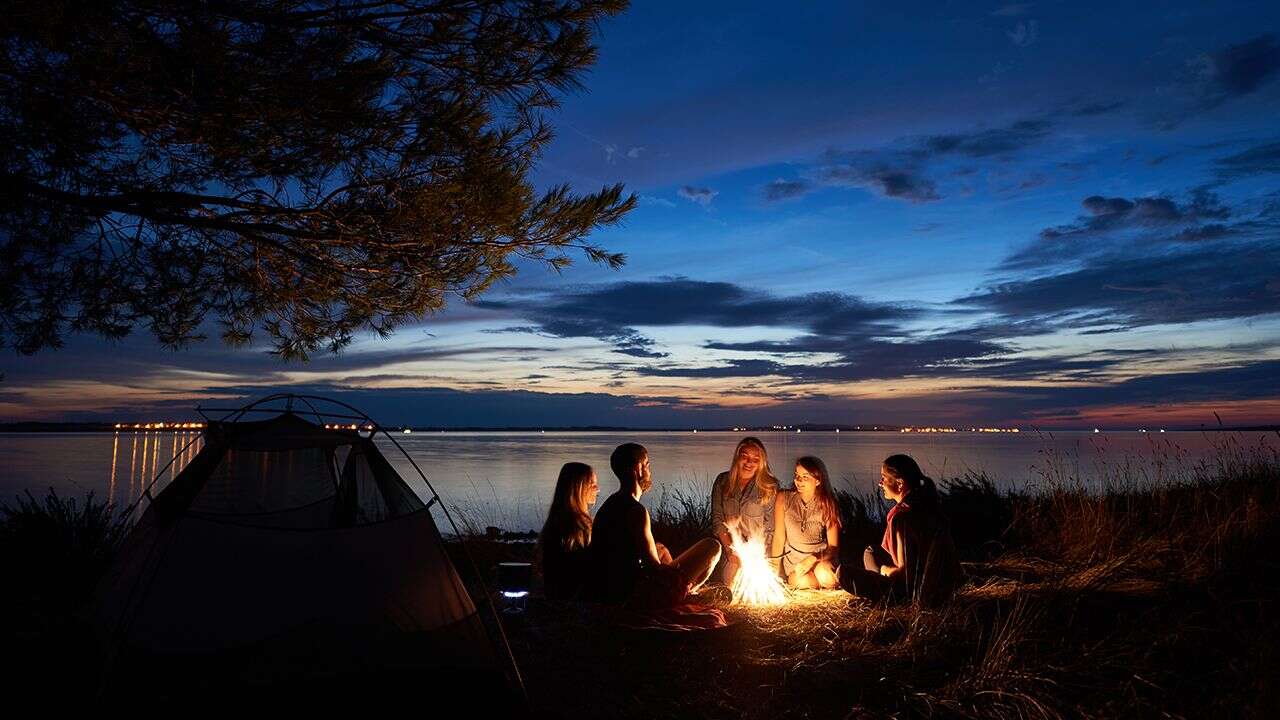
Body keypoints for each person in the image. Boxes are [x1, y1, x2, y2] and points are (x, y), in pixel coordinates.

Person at [586, 443, 722, 608]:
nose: (650, 472)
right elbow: (653, 569)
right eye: (648, 465)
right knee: (712, 546)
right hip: (631, 593)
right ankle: (685, 595)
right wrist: (674, 573)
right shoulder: (636, 511)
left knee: (661, 549)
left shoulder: (611, 503)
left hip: (610, 586)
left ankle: (686, 592)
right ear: (639, 468)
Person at [847, 454, 963, 606]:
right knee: (871, 552)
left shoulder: (903, 517)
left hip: (914, 589)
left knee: (844, 573)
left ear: (900, 484)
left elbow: (904, 572)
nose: (880, 483)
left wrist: (883, 569)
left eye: (884, 477)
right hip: (940, 583)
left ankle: (887, 598)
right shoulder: (927, 504)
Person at [711, 437, 780, 586]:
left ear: (761, 462)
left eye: (755, 459)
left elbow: (769, 527)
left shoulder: (769, 486)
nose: (749, 463)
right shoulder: (722, 482)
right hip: (731, 551)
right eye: (745, 457)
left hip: (757, 551)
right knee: (732, 584)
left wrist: (757, 554)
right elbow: (717, 521)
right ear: (737, 457)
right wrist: (730, 551)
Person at [771, 456, 841, 589]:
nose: (798, 481)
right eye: (797, 475)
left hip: (820, 558)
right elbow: (779, 537)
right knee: (807, 582)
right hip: (795, 563)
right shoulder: (783, 499)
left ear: (818, 480)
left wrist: (813, 558)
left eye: (805, 477)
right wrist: (774, 569)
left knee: (827, 576)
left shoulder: (827, 504)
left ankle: (825, 582)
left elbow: (833, 547)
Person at [538, 462, 600, 601]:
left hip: (557, 597)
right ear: (579, 488)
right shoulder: (577, 528)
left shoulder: (556, 523)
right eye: (593, 484)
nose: (598, 489)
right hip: (574, 601)